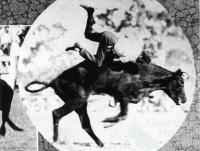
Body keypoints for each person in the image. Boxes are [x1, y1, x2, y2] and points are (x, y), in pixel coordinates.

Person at [66, 4, 143, 67]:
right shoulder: (131, 57)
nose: (140, 63)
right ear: (141, 58)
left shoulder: (136, 46)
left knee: (88, 35)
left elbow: (125, 39)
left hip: (110, 35)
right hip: (109, 41)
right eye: (141, 62)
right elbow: (115, 60)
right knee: (98, 63)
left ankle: (90, 13)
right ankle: (79, 49)